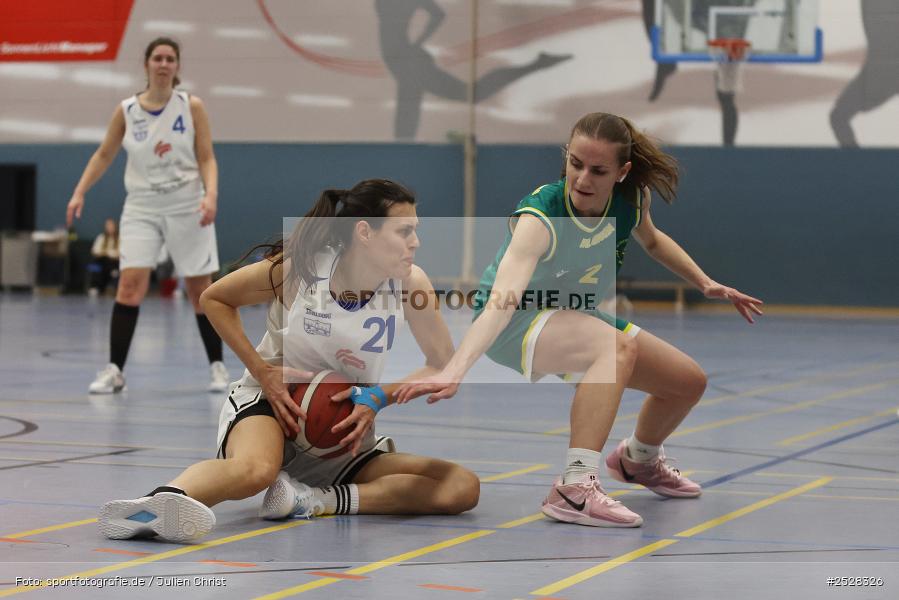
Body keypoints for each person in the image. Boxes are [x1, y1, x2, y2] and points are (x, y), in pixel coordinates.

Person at [397, 112, 763, 527]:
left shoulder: (632, 200)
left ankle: (638, 460)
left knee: (686, 383)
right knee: (616, 346)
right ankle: (574, 487)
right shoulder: (540, 217)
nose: (583, 178)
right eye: (575, 164)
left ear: (622, 172)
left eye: (598, 170)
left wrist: (705, 282)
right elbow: (503, 299)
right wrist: (456, 369)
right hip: (517, 321)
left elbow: (654, 240)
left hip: (573, 311)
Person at [98, 179, 480, 543]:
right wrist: (262, 371)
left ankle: (313, 499)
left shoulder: (412, 283)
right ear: (365, 233)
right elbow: (214, 298)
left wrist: (381, 396)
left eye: (415, 230)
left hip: (336, 430)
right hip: (272, 405)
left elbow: (441, 361)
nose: (416, 242)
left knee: (460, 487)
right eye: (403, 231)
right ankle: (156, 505)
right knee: (256, 471)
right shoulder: (303, 269)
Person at [65, 37, 229, 394]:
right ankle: (115, 370)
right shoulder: (126, 110)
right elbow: (104, 155)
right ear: (146, 64)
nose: (164, 63)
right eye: (158, 57)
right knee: (129, 285)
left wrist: (211, 194)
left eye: (171, 58)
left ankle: (217, 366)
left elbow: (206, 157)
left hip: (187, 202)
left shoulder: (191, 106)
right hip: (141, 205)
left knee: (200, 288)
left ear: (177, 67)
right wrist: (79, 191)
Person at [87, 218, 120, 296]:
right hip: (102, 262)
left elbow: (119, 253)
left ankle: (113, 278)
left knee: (110, 261)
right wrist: (106, 253)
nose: (110, 228)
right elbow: (95, 251)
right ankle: (94, 287)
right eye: (108, 226)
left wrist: (108, 253)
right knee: (97, 262)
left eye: (111, 226)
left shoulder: (120, 238)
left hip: (115, 262)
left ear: (115, 227)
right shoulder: (101, 237)